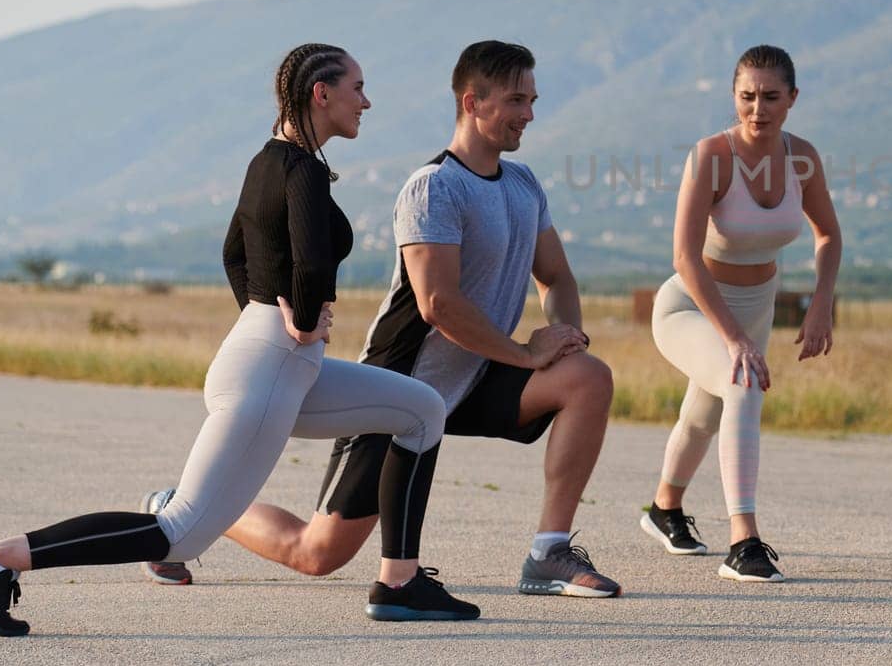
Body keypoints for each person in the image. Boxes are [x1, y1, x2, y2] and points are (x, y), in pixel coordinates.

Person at [0, 44, 477, 638]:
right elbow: (311, 259)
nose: (366, 101)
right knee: (180, 532)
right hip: (272, 366)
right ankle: (0, 558)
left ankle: (401, 582)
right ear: (320, 94)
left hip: (276, 359)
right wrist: (300, 319)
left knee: (422, 410)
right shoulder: (299, 168)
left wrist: (266, 314)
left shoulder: (268, 160)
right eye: (357, 88)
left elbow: (232, 253)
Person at [143, 40, 621, 599]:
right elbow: (437, 305)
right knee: (316, 553)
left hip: (483, 374)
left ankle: (549, 552)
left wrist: (562, 340)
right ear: (473, 102)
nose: (529, 115)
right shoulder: (434, 187)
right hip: (401, 385)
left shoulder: (523, 186)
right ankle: (177, 511)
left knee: (589, 376)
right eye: (517, 100)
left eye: (533, 100)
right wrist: (525, 353)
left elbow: (556, 278)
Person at [641, 45, 842, 582]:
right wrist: (733, 339)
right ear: (734, 97)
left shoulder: (803, 158)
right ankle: (744, 541)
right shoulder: (711, 155)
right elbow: (684, 256)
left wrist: (822, 301)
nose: (758, 109)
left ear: (793, 99)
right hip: (691, 303)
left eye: (771, 97)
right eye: (747, 97)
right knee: (745, 385)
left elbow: (828, 233)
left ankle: (664, 508)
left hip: (758, 306)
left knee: (706, 416)